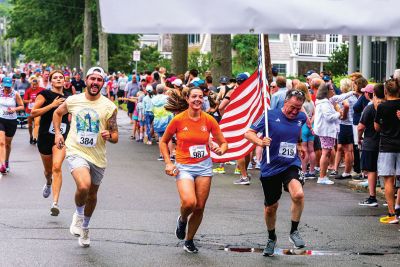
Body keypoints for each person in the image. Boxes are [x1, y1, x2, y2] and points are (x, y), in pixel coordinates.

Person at [53, 66, 118, 247]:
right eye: (92, 79)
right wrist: (58, 133)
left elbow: (115, 136)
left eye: (99, 80)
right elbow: (57, 113)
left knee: (92, 194)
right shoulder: (74, 100)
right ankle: (78, 216)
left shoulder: (109, 107)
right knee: (84, 185)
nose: (95, 82)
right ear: (86, 80)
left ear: (102, 83)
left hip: (97, 156)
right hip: (76, 151)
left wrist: (109, 135)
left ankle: (86, 227)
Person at [159, 86, 228, 253]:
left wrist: (222, 149)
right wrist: (168, 162)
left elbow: (223, 142)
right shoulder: (178, 120)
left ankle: (189, 240)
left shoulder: (209, 119)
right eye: (194, 97)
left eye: (200, 97)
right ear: (188, 99)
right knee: (190, 202)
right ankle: (182, 219)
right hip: (184, 166)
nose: (197, 99)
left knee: (199, 207)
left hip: (204, 167)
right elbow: (163, 141)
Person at [244, 90, 307, 257]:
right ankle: (271, 238)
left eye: (298, 108)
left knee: (298, 194)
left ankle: (294, 231)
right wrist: (260, 141)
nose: (295, 112)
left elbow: (297, 134)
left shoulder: (301, 118)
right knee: (271, 208)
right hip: (271, 166)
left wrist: (299, 145)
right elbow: (248, 133)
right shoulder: (268, 115)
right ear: (285, 103)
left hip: (290, 164)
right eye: (292, 107)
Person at [31, 71, 70, 216]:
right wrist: (52, 105)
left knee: (57, 166)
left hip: (61, 136)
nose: (59, 79)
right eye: (56, 78)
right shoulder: (44, 94)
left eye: (61, 77)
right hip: (45, 136)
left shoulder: (69, 97)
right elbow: (33, 113)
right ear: (51, 81)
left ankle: (55, 203)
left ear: (65, 80)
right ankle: (48, 182)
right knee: (48, 171)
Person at [314, 83, 356, 185]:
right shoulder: (324, 103)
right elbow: (329, 117)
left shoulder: (328, 100)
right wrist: (339, 113)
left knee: (327, 152)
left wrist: (352, 92)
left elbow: (340, 97)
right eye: (332, 89)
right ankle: (322, 177)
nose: (334, 91)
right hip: (326, 131)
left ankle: (323, 176)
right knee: (326, 153)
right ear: (326, 91)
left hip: (326, 131)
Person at [374, 78, 400, 224]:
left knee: (388, 180)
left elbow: (377, 127)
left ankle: (392, 214)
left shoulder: (382, 107)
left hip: (387, 146)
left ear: (385, 91)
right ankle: (398, 208)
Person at [358, 83, 384, 207]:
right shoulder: (387, 106)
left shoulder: (369, 108)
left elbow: (360, 127)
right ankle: (391, 197)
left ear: (373, 94)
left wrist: (358, 139)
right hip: (386, 143)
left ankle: (372, 197)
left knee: (372, 170)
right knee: (388, 172)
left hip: (371, 143)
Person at [331, 78, 358, 179]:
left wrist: (343, 116)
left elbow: (346, 106)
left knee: (347, 150)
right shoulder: (354, 97)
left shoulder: (345, 98)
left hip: (345, 124)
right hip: (351, 125)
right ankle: (346, 170)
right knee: (348, 149)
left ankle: (346, 172)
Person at [0, 77, 25, 174]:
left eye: (9, 87)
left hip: (11, 121)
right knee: (1, 142)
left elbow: (22, 106)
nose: (7, 88)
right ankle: (2, 165)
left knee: (7, 144)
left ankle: (6, 161)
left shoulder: (15, 94)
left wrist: (14, 109)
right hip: (1, 119)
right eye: (6, 87)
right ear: (2, 84)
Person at [295, 83, 316, 179]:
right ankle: (312, 171)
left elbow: (304, 115)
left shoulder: (301, 102)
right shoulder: (311, 101)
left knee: (304, 149)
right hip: (311, 126)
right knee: (311, 149)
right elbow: (315, 113)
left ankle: (303, 171)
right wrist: (311, 124)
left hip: (303, 126)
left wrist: (308, 124)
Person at [23, 78, 44, 144]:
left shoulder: (42, 90)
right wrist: (29, 101)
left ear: (38, 84)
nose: (34, 86)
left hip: (37, 110)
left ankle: (35, 137)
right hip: (29, 110)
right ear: (31, 84)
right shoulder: (28, 90)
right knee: (30, 125)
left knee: (36, 123)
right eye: (33, 85)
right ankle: (31, 136)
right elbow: (24, 100)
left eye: (36, 84)